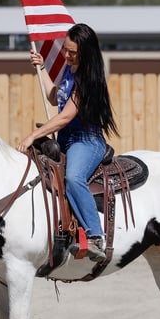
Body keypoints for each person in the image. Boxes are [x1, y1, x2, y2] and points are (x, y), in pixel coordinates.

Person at [16, 23, 119, 262]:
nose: (67, 54)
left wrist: (33, 136)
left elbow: (66, 116)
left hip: (86, 141)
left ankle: (95, 236)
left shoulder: (87, 79)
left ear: (86, 52)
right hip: (65, 140)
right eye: (66, 49)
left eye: (72, 51)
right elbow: (54, 97)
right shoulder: (69, 72)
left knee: (73, 178)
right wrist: (41, 68)